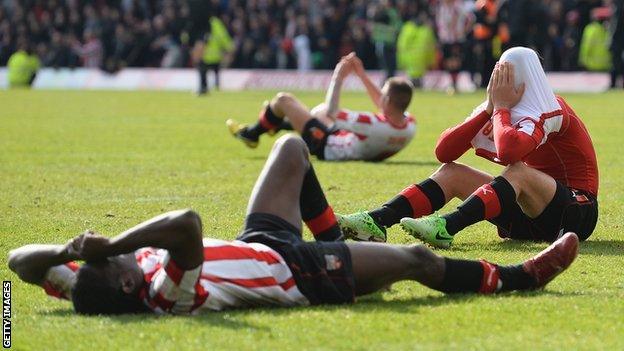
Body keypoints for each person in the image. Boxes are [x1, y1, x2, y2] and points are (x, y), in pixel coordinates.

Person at [8, 134, 580, 315]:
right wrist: (117, 240)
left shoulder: (102, 283)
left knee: (290, 149)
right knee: (415, 263)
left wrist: (65, 250)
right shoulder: (165, 291)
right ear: (131, 282)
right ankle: (517, 278)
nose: (109, 255)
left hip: (264, 242)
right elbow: (185, 223)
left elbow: (18, 263)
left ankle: (335, 237)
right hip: (301, 274)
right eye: (114, 260)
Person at [339, 47, 598, 247]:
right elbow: (444, 151)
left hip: (576, 213)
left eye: (508, 77)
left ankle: (447, 227)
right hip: (531, 215)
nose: (503, 84)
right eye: (501, 77)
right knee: (452, 172)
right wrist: (488, 109)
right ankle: (377, 220)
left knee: (517, 171)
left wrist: (502, 108)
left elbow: (510, 153)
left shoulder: (552, 108)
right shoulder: (501, 106)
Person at [226, 53, 416, 162]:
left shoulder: (372, 124)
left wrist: (338, 76)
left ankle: (252, 133)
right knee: (319, 111)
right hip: (350, 142)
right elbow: (385, 105)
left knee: (284, 100)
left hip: (326, 144)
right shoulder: (409, 125)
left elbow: (334, 112)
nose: (379, 97)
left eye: (383, 95)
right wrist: (361, 74)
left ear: (388, 100)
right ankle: (276, 125)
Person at [195, 16, 233, 95]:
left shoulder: (208, 23)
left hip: (206, 56)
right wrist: (229, 48)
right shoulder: (217, 23)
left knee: (202, 70)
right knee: (216, 73)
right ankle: (216, 88)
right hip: (217, 56)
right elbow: (224, 37)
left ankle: (203, 87)